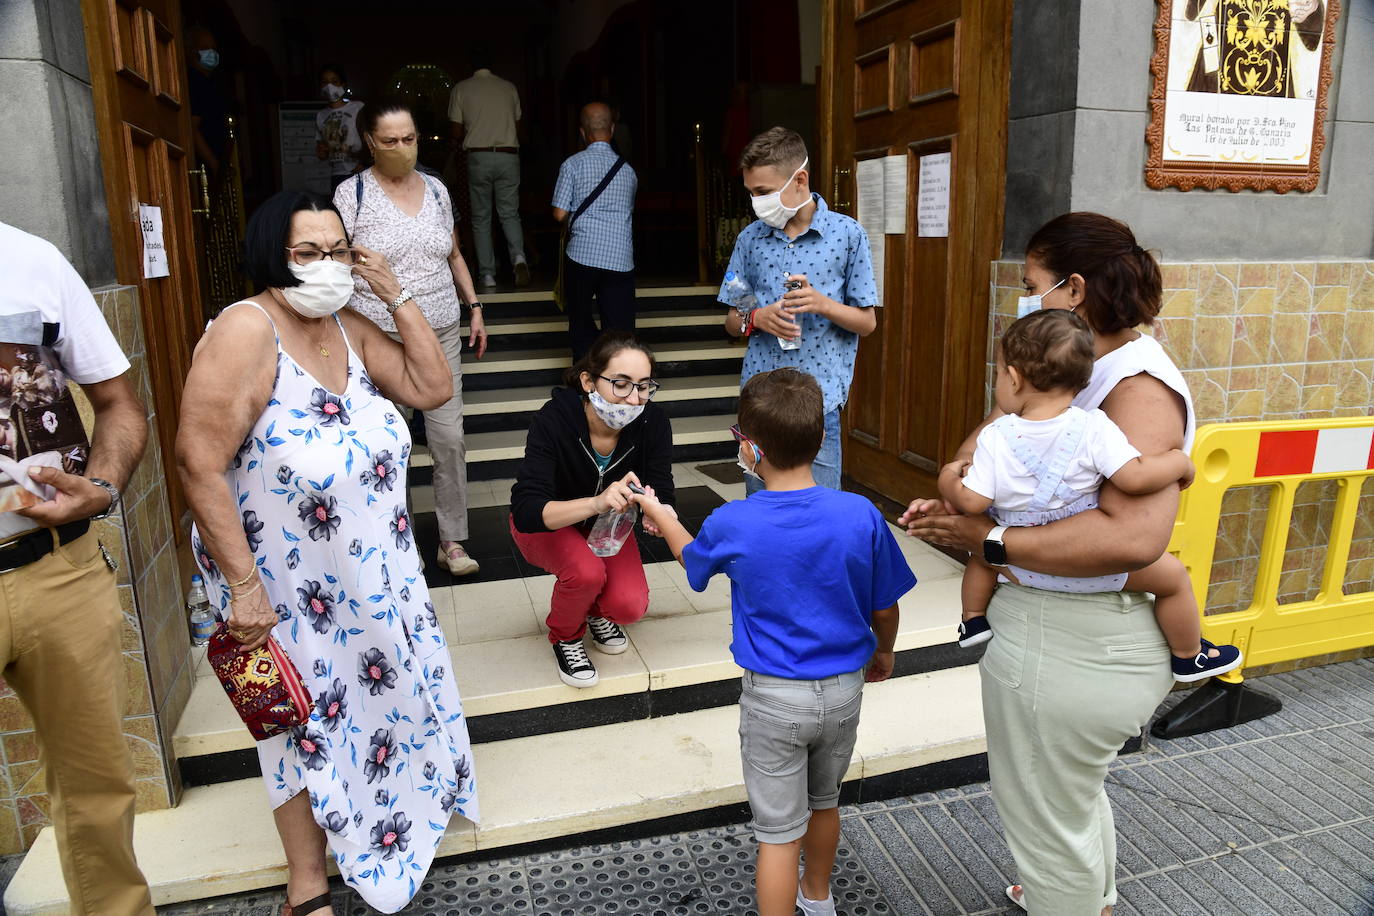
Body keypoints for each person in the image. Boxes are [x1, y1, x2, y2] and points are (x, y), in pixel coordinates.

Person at [176, 191, 479, 916]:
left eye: (337, 250)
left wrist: (395, 292)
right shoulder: (246, 330)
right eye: (306, 253)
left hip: (376, 573)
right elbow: (197, 462)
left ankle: (386, 821)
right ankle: (306, 882)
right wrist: (245, 590)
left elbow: (433, 387)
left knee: (378, 700)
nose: (327, 265)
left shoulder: (346, 323)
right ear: (269, 257)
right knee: (299, 724)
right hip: (284, 587)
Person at [901, 212, 1200, 915]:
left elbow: (1132, 539)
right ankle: (1080, 897)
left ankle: (1064, 897)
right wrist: (966, 487)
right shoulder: (1070, 373)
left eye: (1032, 284)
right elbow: (986, 450)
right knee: (1064, 799)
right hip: (1059, 627)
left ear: (1072, 287)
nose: (1024, 297)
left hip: (1073, 635)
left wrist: (991, 540)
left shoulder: (1136, 387)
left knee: (1043, 808)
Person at [630, 368, 915, 916]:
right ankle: (818, 897)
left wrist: (662, 515)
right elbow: (886, 605)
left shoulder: (733, 520)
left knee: (779, 834)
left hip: (774, 699)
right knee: (826, 802)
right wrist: (884, 651)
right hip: (843, 691)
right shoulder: (859, 513)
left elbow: (693, 562)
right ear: (819, 438)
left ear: (751, 447)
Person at [946, 308, 1242, 682]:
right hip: (1091, 568)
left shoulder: (995, 436)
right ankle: (1189, 655)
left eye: (999, 374)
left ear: (1015, 379)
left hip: (1016, 567)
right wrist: (1178, 463)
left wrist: (948, 478)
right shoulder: (1094, 427)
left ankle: (972, 621)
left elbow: (971, 502)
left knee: (979, 555)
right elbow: (1134, 477)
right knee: (1174, 581)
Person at [0, 223, 152, 914]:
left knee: (98, 792)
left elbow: (119, 404)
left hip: (57, 571)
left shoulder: (31, 260)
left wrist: (106, 483)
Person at [337, 97, 487, 577]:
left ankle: (452, 541)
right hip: (379, 338)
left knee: (448, 440)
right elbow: (336, 266)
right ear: (369, 142)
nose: (402, 148)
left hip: (440, 331)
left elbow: (454, 255)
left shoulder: (439, 191)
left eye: (410, 139)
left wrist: (475, 307)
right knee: (389, 443)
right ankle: (399, 543)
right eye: (390, 141)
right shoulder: (352, 195)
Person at [509, 331, 675, 689]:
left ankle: (595, 612)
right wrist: (597, 502)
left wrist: (659, 513)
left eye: (644, 387)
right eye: (620, 384)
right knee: (585, 573)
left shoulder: (654, 422)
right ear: (588, 380)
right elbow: (527, 509)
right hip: (549, 523)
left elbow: (662, 486)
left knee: (629, 606)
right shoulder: (555, 419)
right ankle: (566, 636)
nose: (633, 399)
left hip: (606, 528)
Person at [721, 127, 878, 492]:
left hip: (817, 404)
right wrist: (756, 318)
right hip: (759, 401)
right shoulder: (750, 239)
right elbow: (732, 321)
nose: (756, 202)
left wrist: (822, 304)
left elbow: (867, 323)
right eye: (751, 193)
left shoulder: (848, 235)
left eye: (763, 192)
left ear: (799, 179)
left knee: (819, 508)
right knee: (761, 511)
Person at [552, 102, 639, 359]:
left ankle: (584, 380)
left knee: (580, 320)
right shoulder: (628, 171)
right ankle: (619, 379)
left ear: (583, 132)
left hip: (582, 254)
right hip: (620, 258)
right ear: (611, 129)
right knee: (619, 328)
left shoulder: (573, 164)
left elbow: (558, 213)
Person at [448, 46, 529, 289]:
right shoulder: (508, 87)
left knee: (481, 218)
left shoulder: (462, 88)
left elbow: (455, 131)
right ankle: (518, 257)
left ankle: (487, 274)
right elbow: (518, 126)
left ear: (469, 65)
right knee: (509, 213)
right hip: (508, 156)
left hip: (478, 157)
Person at [186, 25, 229, 175]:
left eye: (213, 48)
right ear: (192, 52)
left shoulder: (209, 83)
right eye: (204, 48)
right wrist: (215, 165)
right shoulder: (196, 82)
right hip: (205, 167)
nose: (211, 52)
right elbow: (193, 128)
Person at [314, 65, 364, 193]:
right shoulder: (321, 115)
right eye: (325, 82)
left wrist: (365, 164)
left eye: (334, 81)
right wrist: (322, 152)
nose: (329, 86)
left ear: (343, 84)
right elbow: (322, 152)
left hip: (359, 171)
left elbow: (373, 136)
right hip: (337, 174)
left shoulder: (358, 107)